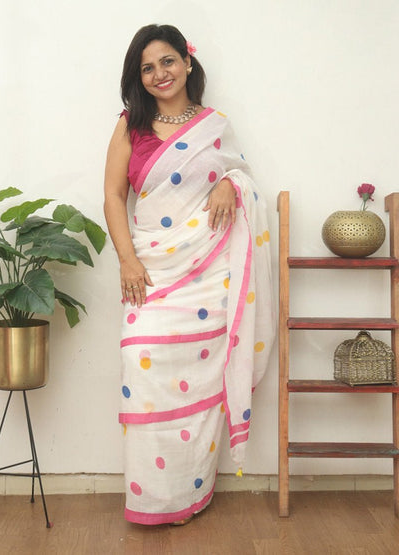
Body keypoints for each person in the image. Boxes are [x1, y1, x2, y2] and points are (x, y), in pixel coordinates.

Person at [104, 23, 275, 526]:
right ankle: (152, 498)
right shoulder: (130, 125)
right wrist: (127, 260)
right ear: (138, 77)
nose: (160, 74)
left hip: (207, 278)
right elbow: (113, 195)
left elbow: (243, 177)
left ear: (187, 62)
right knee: (141, 364)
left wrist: (230, 183)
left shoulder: (214, 126)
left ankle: (188, 496)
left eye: (168, 61)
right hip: (150, 271)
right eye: (147, 68)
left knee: (199, 386)